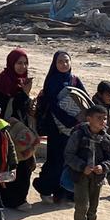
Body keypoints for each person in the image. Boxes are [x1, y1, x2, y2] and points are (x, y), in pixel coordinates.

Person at [0, 48, 37, 211]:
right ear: (11, 63)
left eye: (25, 63)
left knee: (26, 162)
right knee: (10, 163)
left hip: (22, 129)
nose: (22, 67)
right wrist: (23, 94)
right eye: (19, 63)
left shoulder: (21, 82)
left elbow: (22, 108)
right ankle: (11, 199)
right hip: (6, 130)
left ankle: (18, 197)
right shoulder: (1, 83)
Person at [36, 51, 86, 204]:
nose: (64, 64)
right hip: (56, 127)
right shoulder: (51, 81)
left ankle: (65, 193)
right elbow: (53, 106)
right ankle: (44, 188)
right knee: (56, 160)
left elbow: (84, 98)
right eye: (60, 62)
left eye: (66, 61)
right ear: (54, 64)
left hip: (73, 129)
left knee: (70, 160)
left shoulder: (74, 80)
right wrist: (69, 120)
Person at [65, 105, 110, 220]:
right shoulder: (78, 135)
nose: (102, 121)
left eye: (104, 118)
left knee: (93, 206)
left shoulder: (107, 139)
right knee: (82, 205)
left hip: (98, 178)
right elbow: (68, 155)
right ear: (89, 119)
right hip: (81, 176)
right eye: (98, 118)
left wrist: (104, 167)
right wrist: (82, 167)